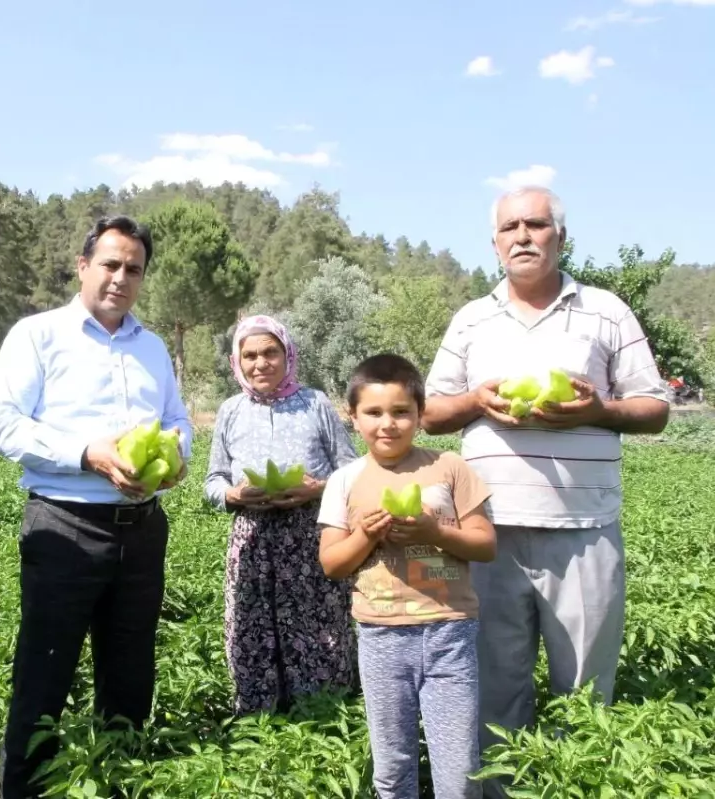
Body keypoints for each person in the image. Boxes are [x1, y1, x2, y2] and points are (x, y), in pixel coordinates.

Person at [420, 186, 670, 796]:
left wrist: (598, 410)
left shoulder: (606, 311)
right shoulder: (472, 318)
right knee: (495, 689)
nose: (523, 236)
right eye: (510, 228)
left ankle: (574, 787)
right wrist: (477, 400)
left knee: (584, 691)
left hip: (584, 533)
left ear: (560, 236)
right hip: (489, 535)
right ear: (495, 243)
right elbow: (429, 410)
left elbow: (655, 408)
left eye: (536, 224)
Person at [0, 215, 193, 799]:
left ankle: (120, 781)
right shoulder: (38, 334)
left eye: (134, 269)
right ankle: (24, 791)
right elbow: (1, 424)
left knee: (130, 678)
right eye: (110, 264)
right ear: (82, 266)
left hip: (143, 530)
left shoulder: (151, 346)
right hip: (65, 527)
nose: (121, 278)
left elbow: (176, 419)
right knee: (43, 676)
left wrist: (176, 456)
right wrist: (87, 454)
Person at [318, 353, 495, 799]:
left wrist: (435, 530)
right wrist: (365, 536)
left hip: (450, 631)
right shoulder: (345, 479)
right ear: (352, 417)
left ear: (419, 415)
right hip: (381, 635)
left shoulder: (449, 467)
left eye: (401, 412)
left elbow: (486, 544)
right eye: (373, 413)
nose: (388, 424)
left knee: (458, 766)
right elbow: (332, 563)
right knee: (392, 762)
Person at [204, 314, 358, 715]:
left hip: (312, 538)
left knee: (319, 631)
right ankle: (259, 724)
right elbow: (212, 482)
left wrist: (318, 489)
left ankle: (323, 715)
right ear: (237, 361)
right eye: (250, 355)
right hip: (252, 541)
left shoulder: (316, 403)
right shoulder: (231, 411)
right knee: (252, 632)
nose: (261, 363)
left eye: (270, 352)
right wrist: (234, 495)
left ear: (287, 355)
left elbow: (354, 472)